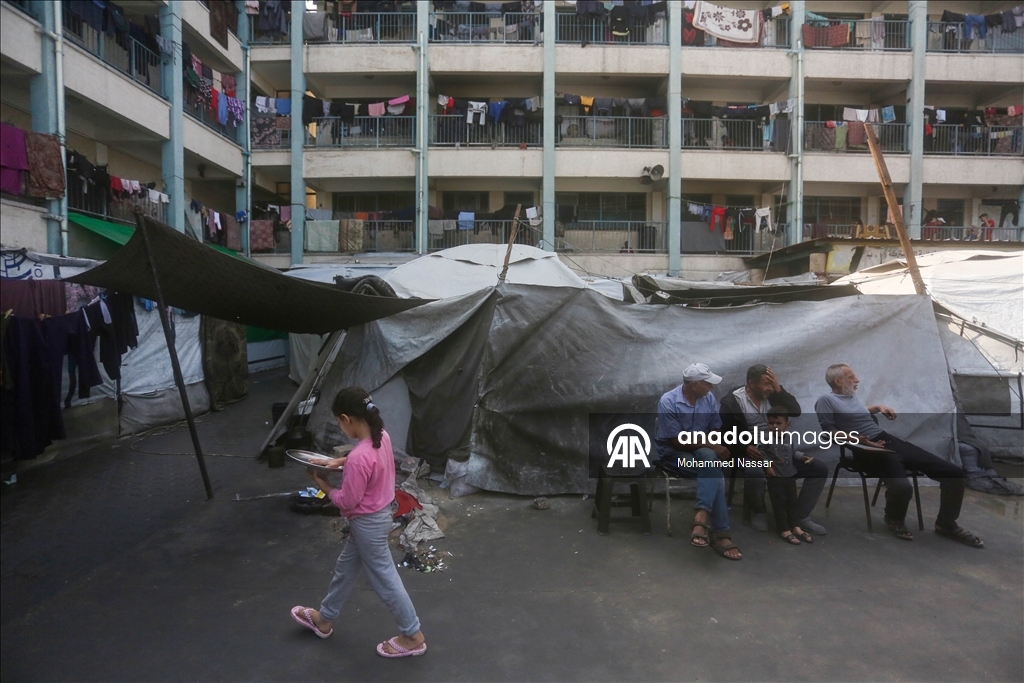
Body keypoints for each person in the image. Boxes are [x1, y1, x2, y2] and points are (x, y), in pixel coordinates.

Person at [290, 387, 428, 657]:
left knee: (385, 579)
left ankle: (413, 635)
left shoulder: (359, 458)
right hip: (379, 515)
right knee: (346, 568)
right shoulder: (382, 437)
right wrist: (342, 460)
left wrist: (322, 485)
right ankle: (324, 619)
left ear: (346, 418)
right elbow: (365, 459)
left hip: (367, 524)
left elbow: (345, 501)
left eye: (340, 423)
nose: (341, 428)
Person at [814, 364, 983, 547]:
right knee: (902, 487)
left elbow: (857, 412)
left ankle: (946, 524)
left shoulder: (850, 396)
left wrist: (878, 407)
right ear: (838, 381)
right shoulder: (825, 400)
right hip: (865, 451)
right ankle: (894, 519)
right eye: (851, 377)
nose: (857, 380)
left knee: (954, 473)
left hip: (886, 441)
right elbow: (829, 431)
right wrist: (859, 440)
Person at [720, 364, 827, 535]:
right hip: (751, 450)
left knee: (818, 469)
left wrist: (778, 389)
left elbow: (796, 412)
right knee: (755, 473)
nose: (770, 388)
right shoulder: (732, 402)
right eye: (766, 384)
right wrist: (744, 446)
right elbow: (726, 434)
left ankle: (800, 516)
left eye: (772, 383)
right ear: (751, 383)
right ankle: (758, 510)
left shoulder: (773, 395)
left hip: (779, 450)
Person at [656, 363, 742, 561]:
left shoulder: (708, 398)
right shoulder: (668, 401)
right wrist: (712, 446)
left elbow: (714, 430)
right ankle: (721, 534)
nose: (711, 387)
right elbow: (677, 441)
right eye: (707, 383)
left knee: (709, 463)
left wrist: (711, 443)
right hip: (674, 455)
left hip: (702, 454)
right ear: (694, 385)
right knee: (714, 471)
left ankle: (701, 517)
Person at [762, 407, 815, 545]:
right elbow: (762, 454)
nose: (774, 426)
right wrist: (768, 467)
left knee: (792, 501)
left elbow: (793, 452)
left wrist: (802, 457)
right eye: (771, 423)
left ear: (787, 424)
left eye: (778, 423)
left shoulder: (788, 437)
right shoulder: (766, 438)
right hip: (775, 476)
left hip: (789, 475)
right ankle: (784, 529)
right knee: (779, 502)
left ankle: (796, 527)